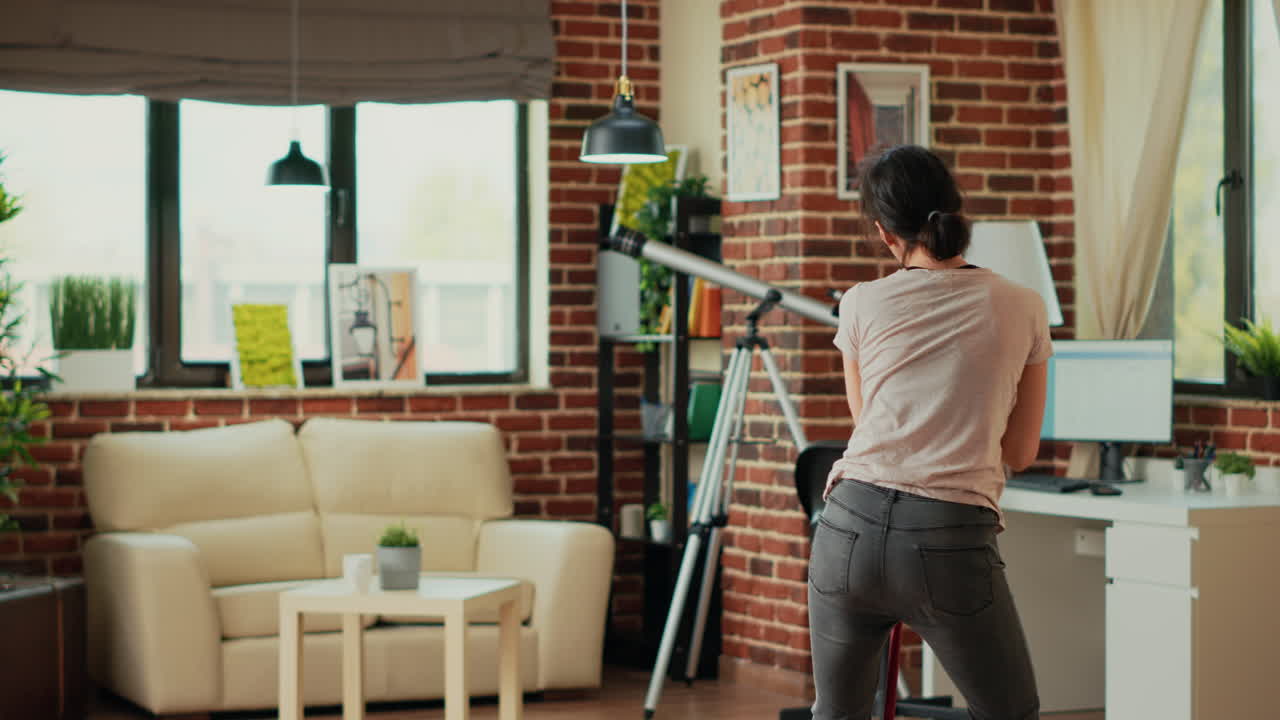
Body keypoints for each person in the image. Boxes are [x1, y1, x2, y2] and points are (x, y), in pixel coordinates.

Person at [809, 145, 1050, 720]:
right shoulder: (1022, 306)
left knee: (836, 716)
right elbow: (1019, 451)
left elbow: (868, 423)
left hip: (846, 533)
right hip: (947, 541)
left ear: (885, 234)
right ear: (955, 212)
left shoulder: (860, 303)